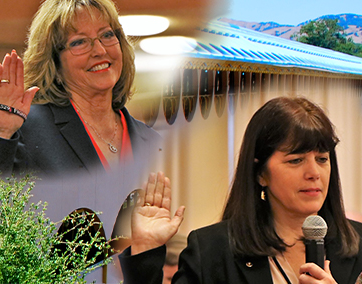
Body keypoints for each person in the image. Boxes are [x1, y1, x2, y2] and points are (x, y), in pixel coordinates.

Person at [119, 97, 362, 284]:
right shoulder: (213, 250)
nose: (314, 173)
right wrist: (144, 250)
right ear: (260, 173)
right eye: (295, 160)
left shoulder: (359, 243)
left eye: (322, 159)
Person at [0, 0, 161, 178]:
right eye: (79, 42)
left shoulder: (153, 142)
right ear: (54, 64)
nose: (99, 50)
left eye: (106, 35)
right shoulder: (26, 129)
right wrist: (0, 131)